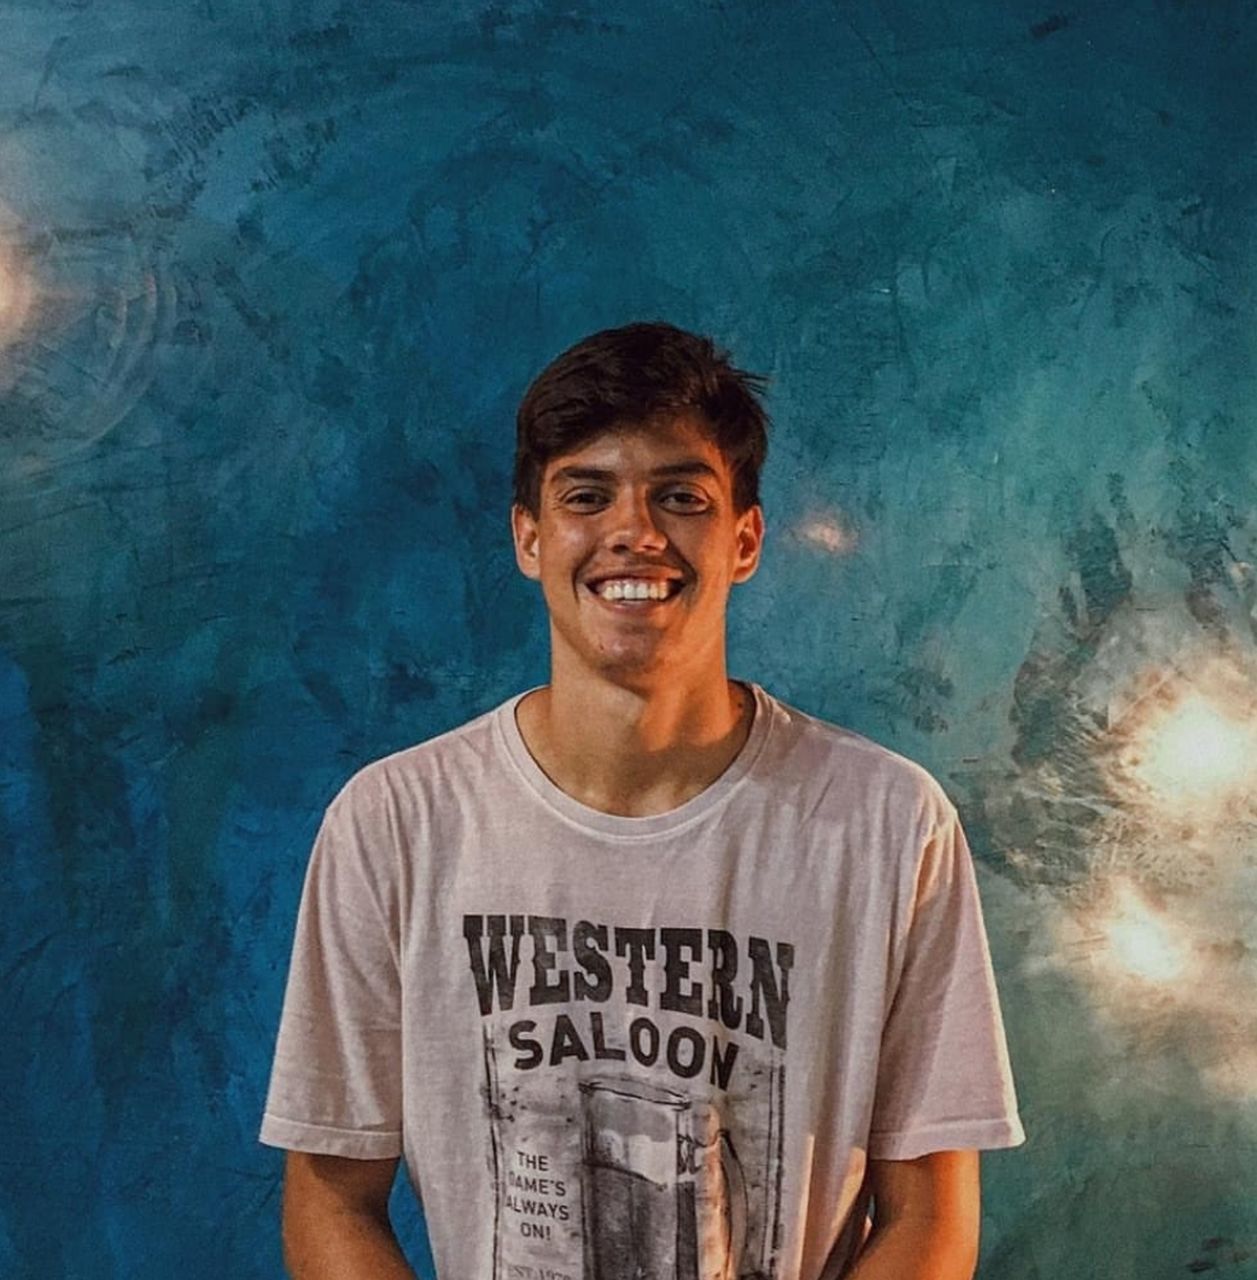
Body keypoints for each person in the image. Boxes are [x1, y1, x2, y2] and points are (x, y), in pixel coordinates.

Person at [260, 320, 1026, 1280]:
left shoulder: (886, 822)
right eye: (587, 495)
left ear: (744, 539)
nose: (636, 532)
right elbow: (332, 1194)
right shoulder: (394, 823)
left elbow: (928, 1216)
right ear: (527, 537)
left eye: (681, 497)